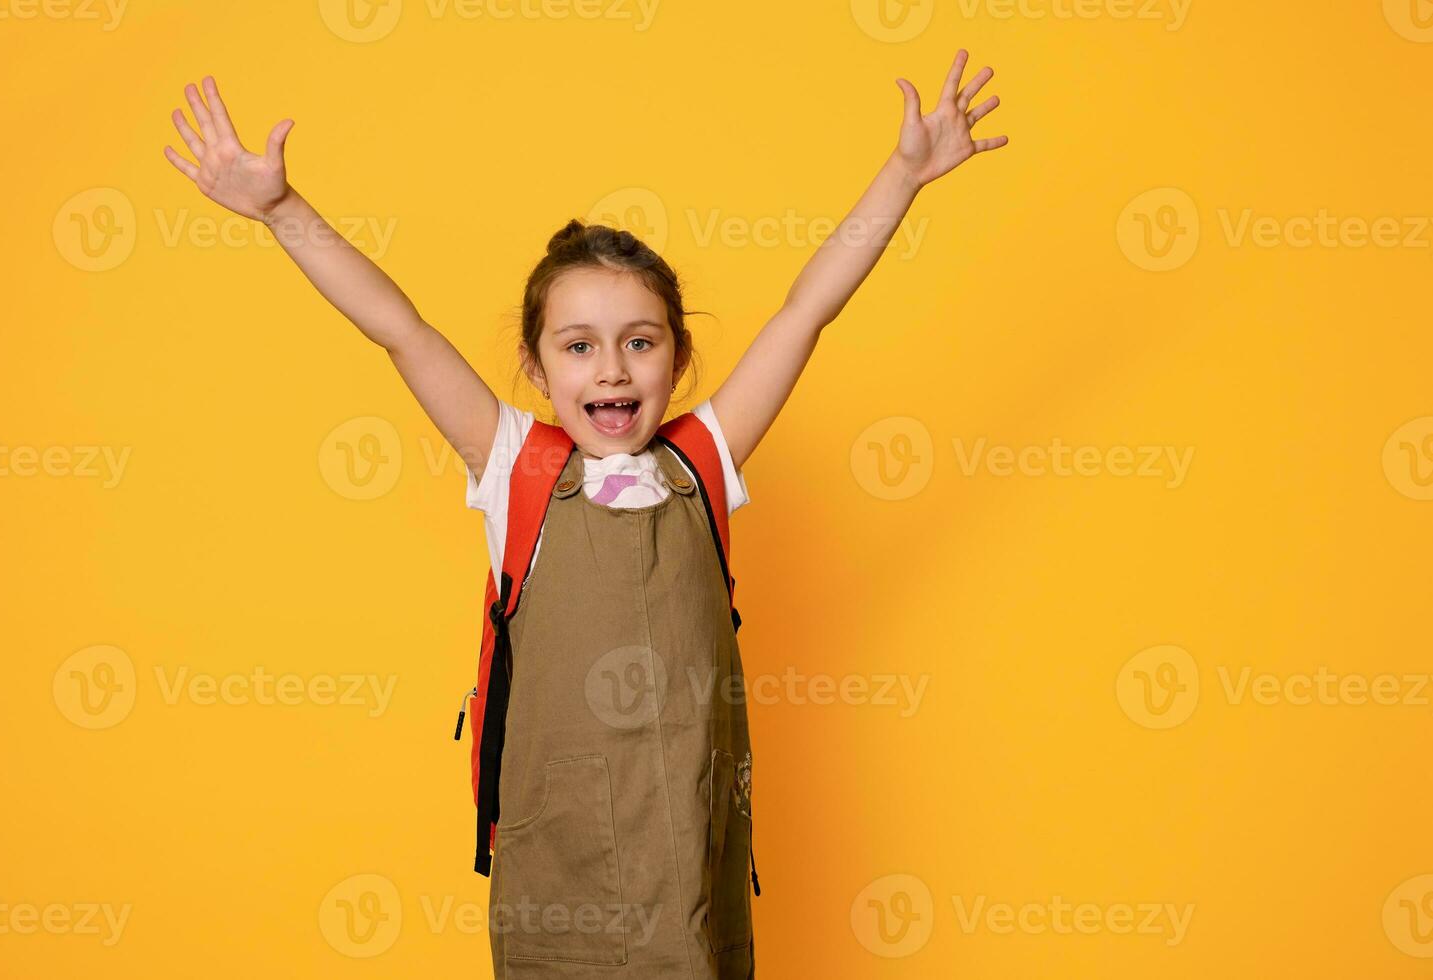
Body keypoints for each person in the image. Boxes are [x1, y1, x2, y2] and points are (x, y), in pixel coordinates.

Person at [161, 50, 1006, 978]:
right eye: (579, 346)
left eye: (639, 344)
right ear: (536, 366)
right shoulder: (512, 464)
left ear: (676, 360)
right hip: (559, 853)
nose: (610, 369)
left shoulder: (703, 461)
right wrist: (282, 210)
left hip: (687, 839)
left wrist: (902, 176)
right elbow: (398, 328)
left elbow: (807, 311)